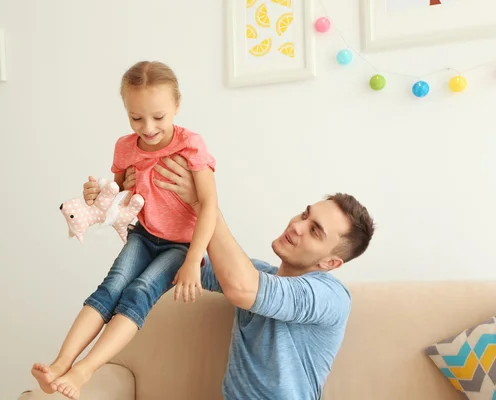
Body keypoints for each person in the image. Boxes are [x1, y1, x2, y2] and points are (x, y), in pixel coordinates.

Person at [31, 61, 218, 399]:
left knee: (139, 291)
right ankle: (61, 363)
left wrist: (193, 260)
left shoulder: (190, 145)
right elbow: (113, 196)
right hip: (144, 235)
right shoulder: (125, 147)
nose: (147, 128)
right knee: (111, 287)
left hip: (180, 245)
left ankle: (84, 370)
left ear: (177, 105)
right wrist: (94, 194)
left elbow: (209, 205)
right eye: (136, 118)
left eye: (158, 117)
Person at [151, 155, 375, 400]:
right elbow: (176, 259)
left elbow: (243, 288)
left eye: (314, 231)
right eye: (304, 215)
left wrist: (205, 202)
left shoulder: (330, 296)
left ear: (329, 263)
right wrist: (133, 206)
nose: (297, 226)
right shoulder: (257, 274)